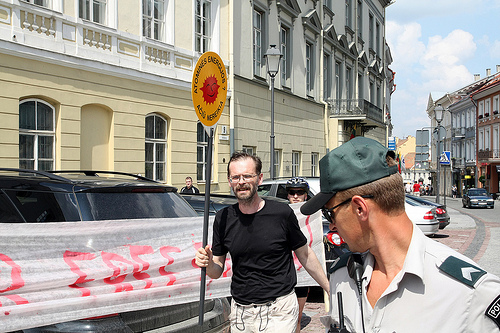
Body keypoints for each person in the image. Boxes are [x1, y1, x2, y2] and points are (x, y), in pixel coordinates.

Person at [300, 137, 500, 332]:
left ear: (360, 208)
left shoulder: (470, 295)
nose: (332, 226)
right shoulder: (342, 275)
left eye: (330, 213)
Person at [195, 152, 330, 332]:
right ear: (229, 181)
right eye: (235, 177)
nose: (241, 181)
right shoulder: (223, 217)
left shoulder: (281, 213)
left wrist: (329, 288)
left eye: (247, 176)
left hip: (279, 311)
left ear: (259, 179)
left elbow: (304, 254)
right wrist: (208, 263)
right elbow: (216, 270)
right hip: (242, 314)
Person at [285, 177, 310, 333]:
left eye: (299, 193)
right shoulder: (281, 213)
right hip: (284, 272)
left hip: (302, 273)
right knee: (284, 317)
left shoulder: (311, 214)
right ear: (287, 195)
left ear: (305, 195)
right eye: (292, 193)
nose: (295, 196)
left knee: (298, 318)